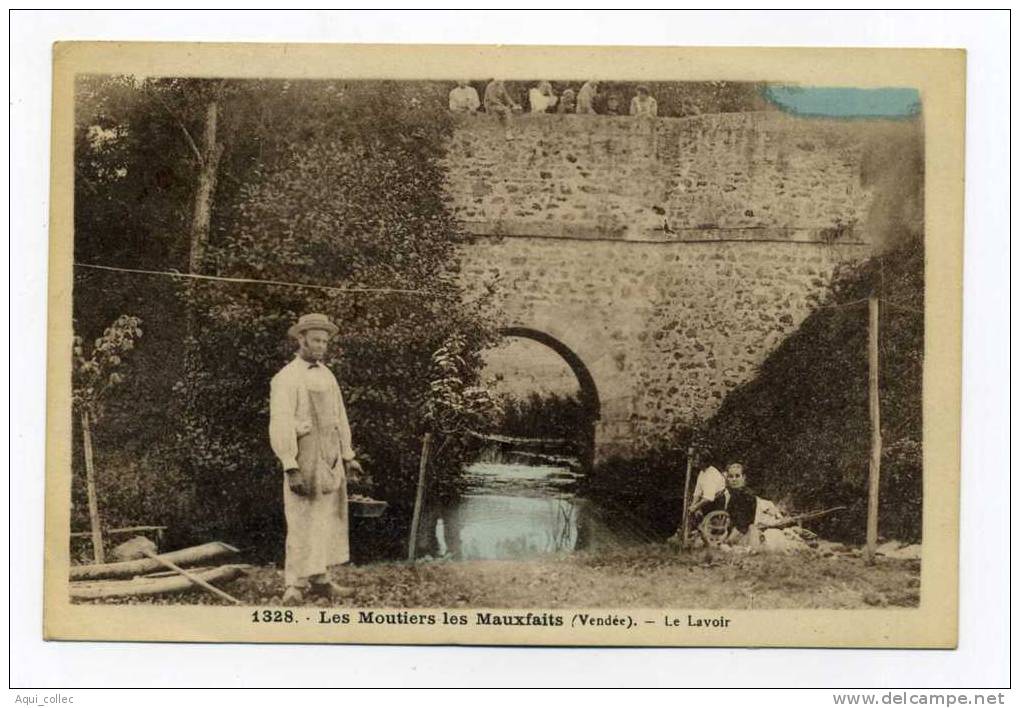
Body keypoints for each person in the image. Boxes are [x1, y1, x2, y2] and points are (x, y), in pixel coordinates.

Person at [269, 313, 365, 606]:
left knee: (325, 519)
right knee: (300, 519)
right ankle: (294, 585)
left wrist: (348, 456)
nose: (322, 346)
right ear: (301, 340)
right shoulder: (286, 377)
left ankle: (321, 579)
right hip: (303, 455)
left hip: (330, 455)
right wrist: (290, 465)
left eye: (325, 341)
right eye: (316, 341)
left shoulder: (327, 375)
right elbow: (281, 422)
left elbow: (339, 418)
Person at [699, 463, 758, 544]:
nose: (734, 479)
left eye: (737, 476)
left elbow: (742, 525)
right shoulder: (731, 494)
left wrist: (726, 541)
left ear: (743, 477)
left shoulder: (747, 496)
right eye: (731, 476)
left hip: (744, 534)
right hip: (730, 531)